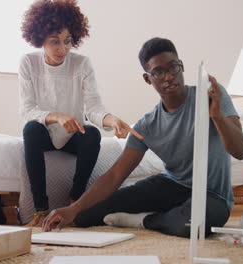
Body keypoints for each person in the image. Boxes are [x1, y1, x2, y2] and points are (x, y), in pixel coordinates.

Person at [41, 37, 243, 237]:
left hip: (212, 196)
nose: (168, 77)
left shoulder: (211, 96)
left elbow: (239, 151)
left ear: (181, 66)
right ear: (147, 78)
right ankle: (165, 216)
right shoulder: (147, 125)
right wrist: (74, 208)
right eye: (158, 72)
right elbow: (115, 176)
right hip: (171, 187)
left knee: (190, 224)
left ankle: (144, 220)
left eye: (173, 67)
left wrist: (217, 116)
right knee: (87, 215)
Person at [19, 0, 141, 227]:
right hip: (43, 133)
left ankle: (75, 200)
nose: (62, 49)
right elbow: (28, 110)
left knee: (92, 134)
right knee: (31, 129)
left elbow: (93, 108)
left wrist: (111, 119)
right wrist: (58, 116)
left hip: (72, 136)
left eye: (67, 42)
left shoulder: (82, 64)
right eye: (55, 42)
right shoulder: (28, 63)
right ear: (40, 39)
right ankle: (40, 210)